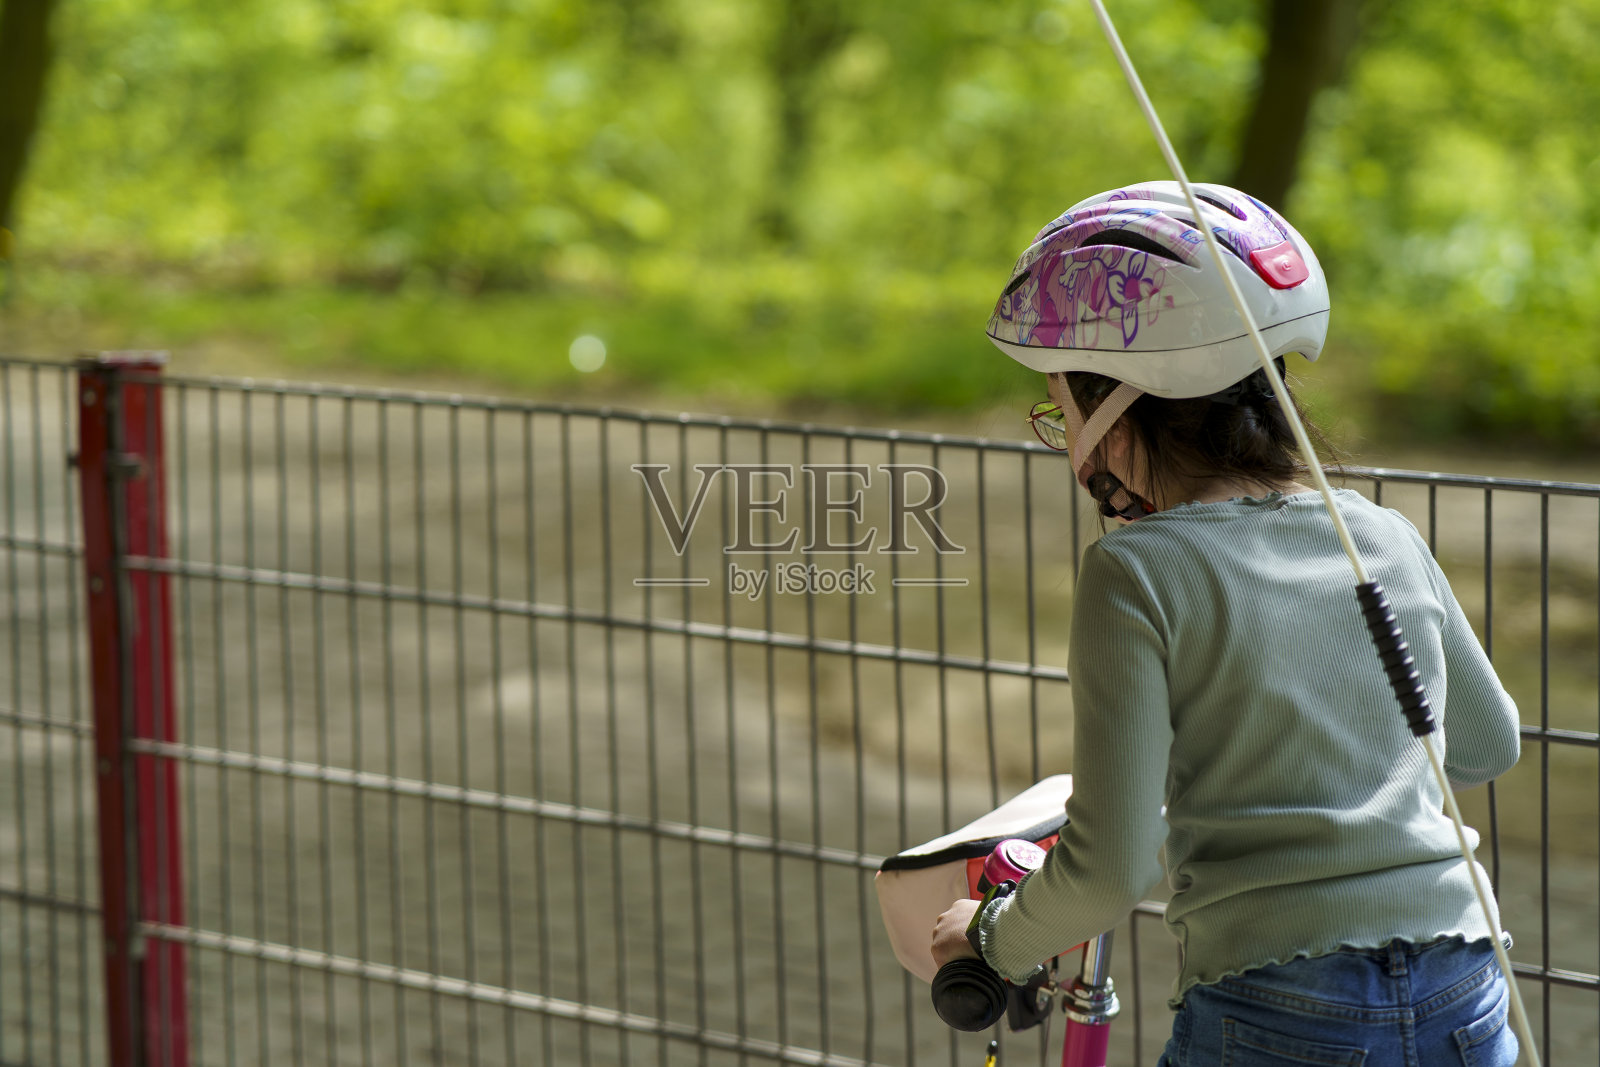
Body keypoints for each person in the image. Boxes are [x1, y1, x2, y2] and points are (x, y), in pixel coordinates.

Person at [929, 182, 1523, 1065]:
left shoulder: (1136, 570)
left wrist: (988, 939)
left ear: (1121, 409)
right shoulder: (1379, 531)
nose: (1068, 444)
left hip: (1282, 1007)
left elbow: (1111, 868)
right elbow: (1484, 743)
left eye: (1063, 414)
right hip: (1466, 976)